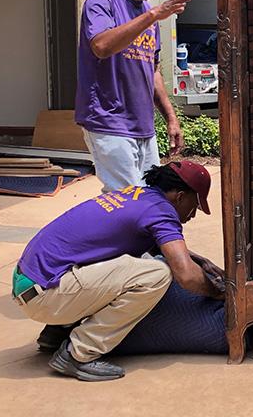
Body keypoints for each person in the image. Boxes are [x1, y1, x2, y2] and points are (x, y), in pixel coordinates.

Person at [12, 160, 225, 382]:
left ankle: (57, 331)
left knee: (132, 260)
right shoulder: (161, 212)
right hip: (46, 295)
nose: (193, 215)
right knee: (156, 274)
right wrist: (219, 293)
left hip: (31, 283)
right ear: (180, 196)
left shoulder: (137, 196)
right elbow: (186, 275)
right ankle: (78, 353)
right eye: (195, 206)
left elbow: (159, 247)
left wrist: (202, 261)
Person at [75, 0, 192, 191]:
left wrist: (171, 118)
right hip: (108, 120)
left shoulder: (148, 14)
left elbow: (153, 70)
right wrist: (153, 15)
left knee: (148, 198)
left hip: (142, 125)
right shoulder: (102, 1)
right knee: (127, 200)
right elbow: (101, 46)